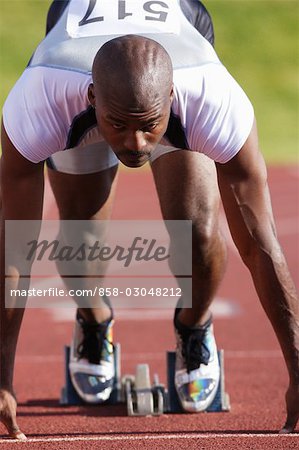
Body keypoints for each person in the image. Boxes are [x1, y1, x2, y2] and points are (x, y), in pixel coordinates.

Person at [0, 0, 298, 440]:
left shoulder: (213, 99)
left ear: (173, 97)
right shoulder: (40, 100)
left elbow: (261, 243)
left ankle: (194, 327)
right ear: (91, 99)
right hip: (73, 46)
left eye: (149, 126)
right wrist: (2, 377)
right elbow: (14, 247)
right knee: (81, 239)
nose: (136, 144)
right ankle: (94, 320)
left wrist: (296, 363)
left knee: (196, 232)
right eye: (118, 125)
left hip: (179, 43)